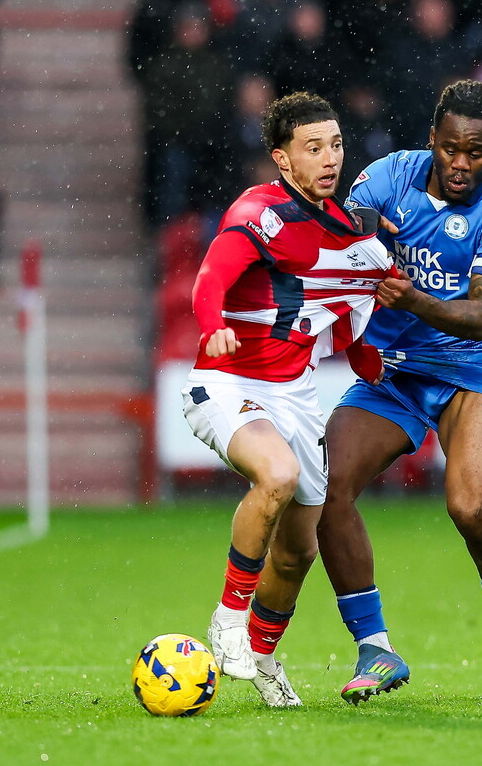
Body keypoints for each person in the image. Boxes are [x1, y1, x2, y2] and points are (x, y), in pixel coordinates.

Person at [316, 54, 482, 703]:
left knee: (470, 507)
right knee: (324, 487)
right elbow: (344, 233)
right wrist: (363, 245)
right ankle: (375, 648)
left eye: (476, 152)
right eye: (450, 148)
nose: (460, 162)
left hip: (466, 371)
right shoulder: (391, 174)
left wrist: (406, 293)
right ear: (432, 140)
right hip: (392, 374)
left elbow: (479, 318)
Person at [181, 91, 392, 707]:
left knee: (299, 551)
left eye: (336, 145)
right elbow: (210, 278)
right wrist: (210, 322)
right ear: (282, 159)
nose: (329, 159)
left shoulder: (358, 241)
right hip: (225, 382)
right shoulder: (260, 212)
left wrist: (383, 369)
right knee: (276, 474)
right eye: (313, 148)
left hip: (296, 397)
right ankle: (227, 619)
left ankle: (265, 657)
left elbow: (353, 340)